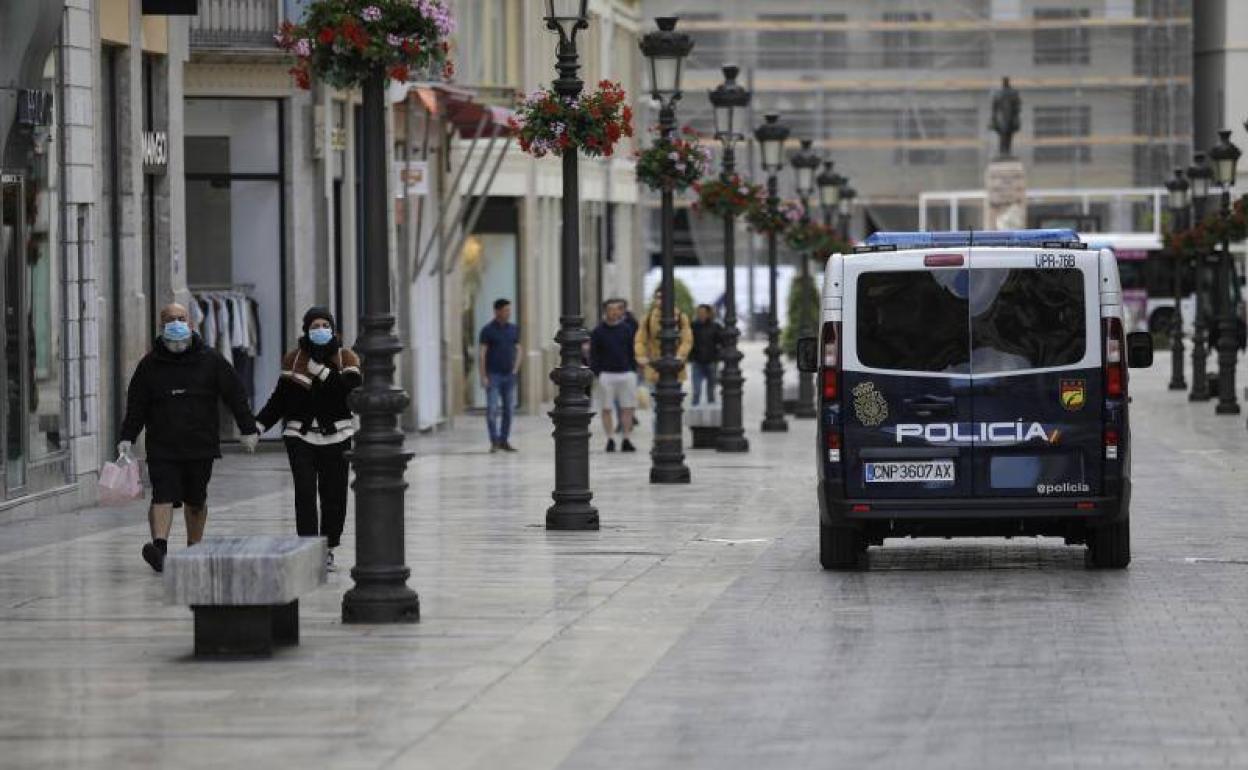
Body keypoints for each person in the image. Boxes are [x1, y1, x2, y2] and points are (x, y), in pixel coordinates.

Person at [119, 303, 259, 573]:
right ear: (160, 328)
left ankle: (195, 547)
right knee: (162, 494)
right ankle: (159, 548)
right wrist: (127, 436)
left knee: (196, 500)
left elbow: (235, 394)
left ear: (191, 323)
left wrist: (248, 428)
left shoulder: (211, 360)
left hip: (200, 445)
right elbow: (136, 404)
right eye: (169, 319)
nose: (176, 323)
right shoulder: (149, 365)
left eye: (181, 318)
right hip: (162, 445)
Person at [256, 308, 361, 572]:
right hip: (299, 436)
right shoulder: (294, 359)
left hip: (337, 436)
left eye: (325, 324)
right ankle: (308, 548)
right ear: (306, 329)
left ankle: (328, 548)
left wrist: (322, 372)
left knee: (334, 495)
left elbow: (348, 393)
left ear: (334, 329)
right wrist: (257, 425)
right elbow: (279, 398)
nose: (320, 329)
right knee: (304, 493)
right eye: (315, 325)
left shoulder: (345, 357)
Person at [590, 300, 638, 453]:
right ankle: (610, 438)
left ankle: (626, 438)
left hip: (626, 373)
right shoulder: (598, 331)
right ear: (605, 311)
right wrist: (598, 372)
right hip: (606, 375)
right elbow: (594, 355)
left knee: (627, 408)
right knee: (606, 408)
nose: (615, 312)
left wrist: (633, 369)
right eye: (611, 309)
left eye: (617, 309)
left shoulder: (627, 329)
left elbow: (632, 350)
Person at [479, 298, 521, 453]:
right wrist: (483, 375)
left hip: (509, 376)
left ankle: (504, 440)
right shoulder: (487, 330)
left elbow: (519, 349)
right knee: (492, 410)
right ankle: (494, 441)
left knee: (509, 410)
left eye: (509, 310)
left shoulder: (513, 329)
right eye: (505, 310)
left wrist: (516, 368)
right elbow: (482, 354)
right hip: (493, 375)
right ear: (497, 311)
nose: (508, 313)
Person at [634, 287, 693, 395]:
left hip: (675, 368)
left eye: (664, 298)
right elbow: (640, 340)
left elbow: (687, 340)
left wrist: (680, 356)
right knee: (655, 402)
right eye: (658, 297)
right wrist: (641, 355)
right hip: (654, 367)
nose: (661, 300)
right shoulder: (648, 318)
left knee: (673, 399)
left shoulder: (680, 317)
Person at [689, 303, 723, 406]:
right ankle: (694, 413)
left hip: (711, 362)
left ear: (708, 314)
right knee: (696, 391)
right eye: (699, 313)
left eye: (703, 313)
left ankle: (710, 413)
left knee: (711, 392)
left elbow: (722, 342)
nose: (701, 315)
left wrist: (718, 355)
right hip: (697, 362)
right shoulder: (693, 326)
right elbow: (688, 342)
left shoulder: (716, 326)